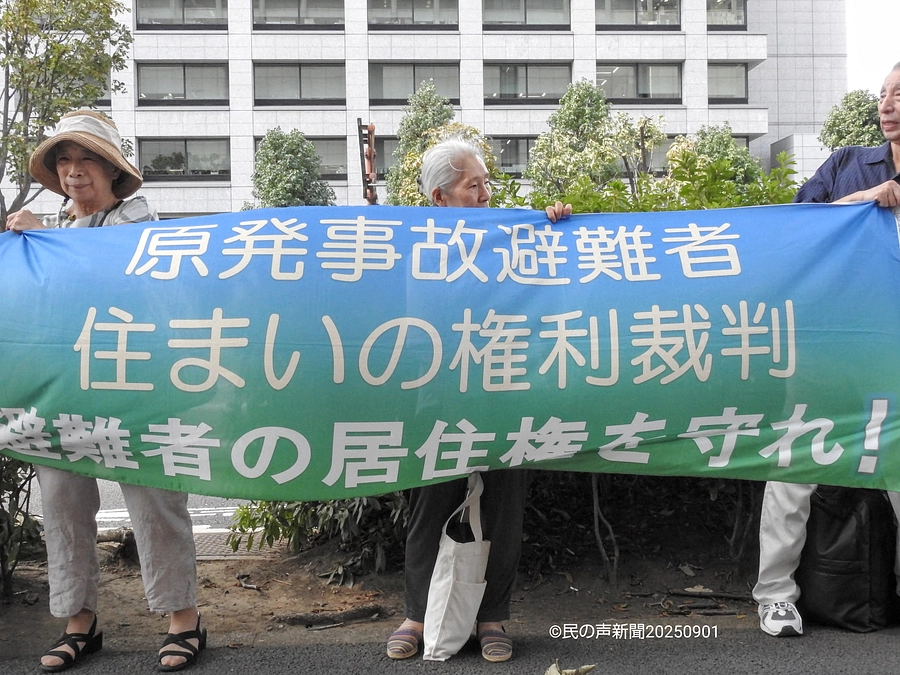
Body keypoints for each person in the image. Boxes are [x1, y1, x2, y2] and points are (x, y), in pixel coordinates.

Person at [7, 109, 206, 673]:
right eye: (64, 160)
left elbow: (118, 274)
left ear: (114, 170)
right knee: (62, 503)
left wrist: (44, 244)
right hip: (62, 389)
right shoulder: (52, 231)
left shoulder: (139, 221)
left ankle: (184, 620)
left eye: (87, 160)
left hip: (136, 385)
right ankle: (78, 623)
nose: (73, 171)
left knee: (154, 498)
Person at [385, 138, 569, 663]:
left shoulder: (510, 238)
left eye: (487, 183)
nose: (487, 194)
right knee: (430, 504)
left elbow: (549, 283)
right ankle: (417, 615)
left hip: (505, 391)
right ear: (439, 198)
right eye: (474, 185)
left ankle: (492, 617)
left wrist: (554, 228)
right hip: (436, 397)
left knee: (504, 505)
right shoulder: (407, 246)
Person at [754, 61, 900, 638]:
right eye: (884, 94)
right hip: (832, 345)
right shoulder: (847, 164)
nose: (887, 104)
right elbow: (797, 227)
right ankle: (774, 595)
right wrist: (865, 201)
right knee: (795, 466)